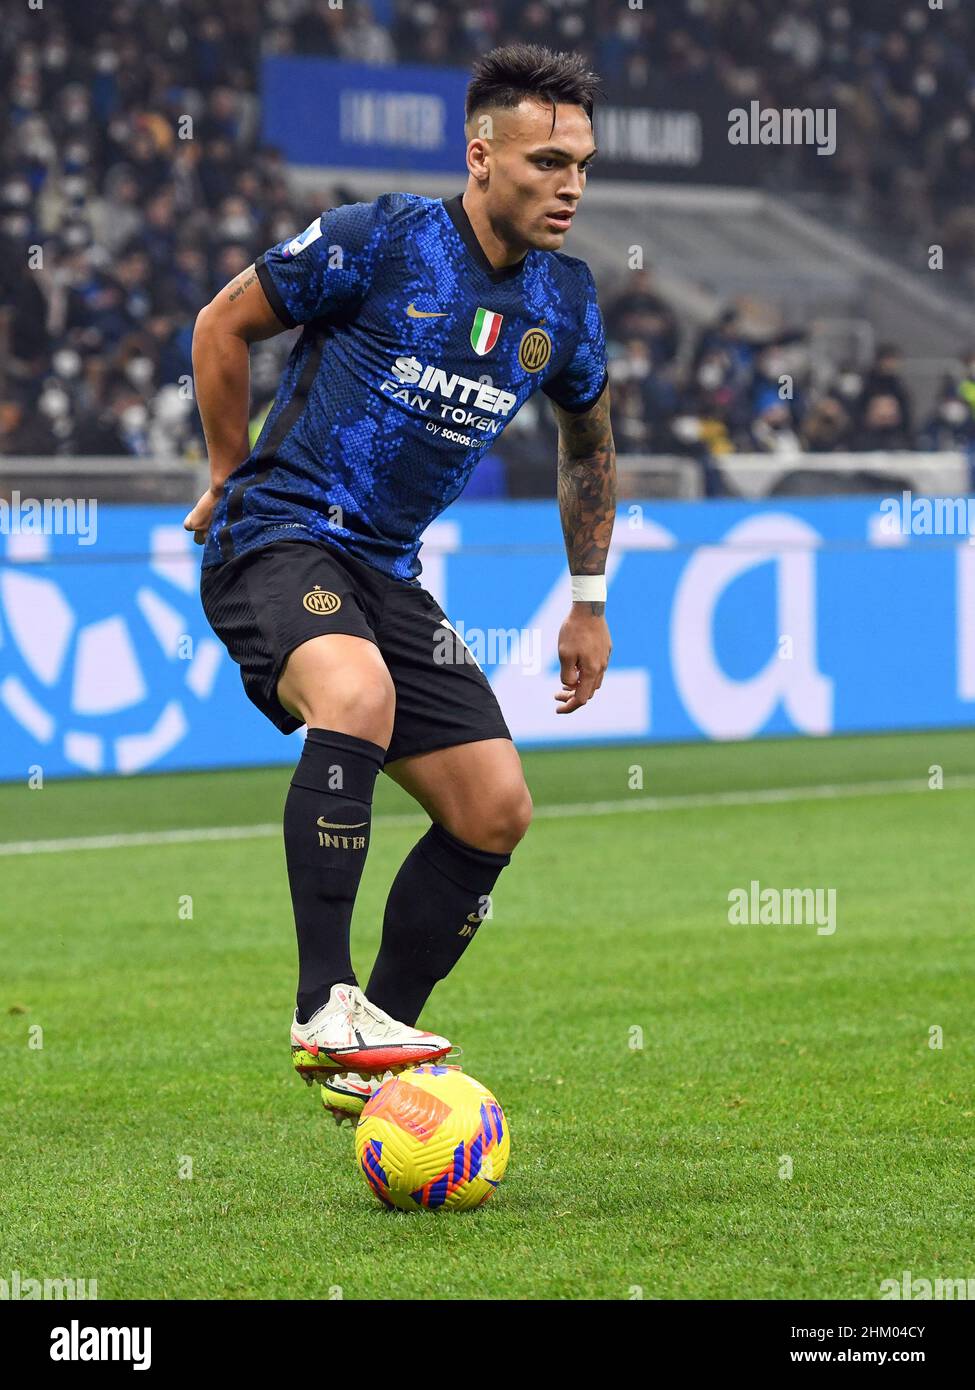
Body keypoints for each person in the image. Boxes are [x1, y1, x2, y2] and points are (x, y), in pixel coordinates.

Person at [183, 44, 616, 1123]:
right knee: (358, 697)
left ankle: (370, 1051)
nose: (570, 185)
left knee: (495, 810)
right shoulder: (381, 239)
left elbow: (589, 448)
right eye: (548, 160)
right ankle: (323, 1005)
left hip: (386, 573)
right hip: (280, 536)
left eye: (584, 165)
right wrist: (229, 476)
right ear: (481, 156)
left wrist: (590, 598)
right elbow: (220, 324)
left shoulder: (564, 300)